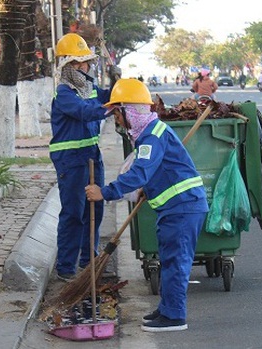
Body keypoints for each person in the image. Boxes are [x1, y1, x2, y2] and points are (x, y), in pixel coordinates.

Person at [85, 79, 209, 332]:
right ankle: (167, 308)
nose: (117, 121)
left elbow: (140, 173)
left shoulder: (152, 137)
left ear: (130, 111)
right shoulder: (151, 133)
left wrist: (105, 192)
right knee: (170, 259)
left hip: (183, 208)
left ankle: (174, 317)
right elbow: (153, 173)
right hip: (177, 208)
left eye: (118, 114)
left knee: (175, 262)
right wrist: (147, 188)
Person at [49, 33, 119, 282]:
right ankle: (66, 268)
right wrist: (109, 109)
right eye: (80, 63)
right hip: (70, 159)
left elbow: (105, 97)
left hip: (91, 155)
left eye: (86, 63)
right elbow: (85, 112)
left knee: (95, 208)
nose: (85, 67)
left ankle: (89, 262)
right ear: (69, 67)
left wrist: (117, 87)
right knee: (74, 212)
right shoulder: (64, 94)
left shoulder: (88, 88)